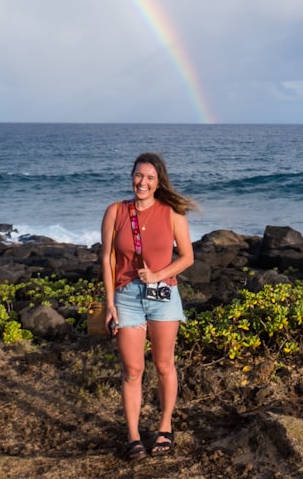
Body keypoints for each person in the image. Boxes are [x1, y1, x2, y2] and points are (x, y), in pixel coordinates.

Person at [100, 152, 196, 461]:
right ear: (132, 177)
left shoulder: (172, 213)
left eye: (150, 178)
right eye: (139, 176)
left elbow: (187, 258)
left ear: (158, 182)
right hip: (126, 296)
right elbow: (107, 258)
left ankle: (165, 427)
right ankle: (133, 436)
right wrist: (109, 302)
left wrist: (157, 274)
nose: (143, 182)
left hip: (164, 296)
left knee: (164, 365)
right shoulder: (116, 211)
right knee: (132, 370)